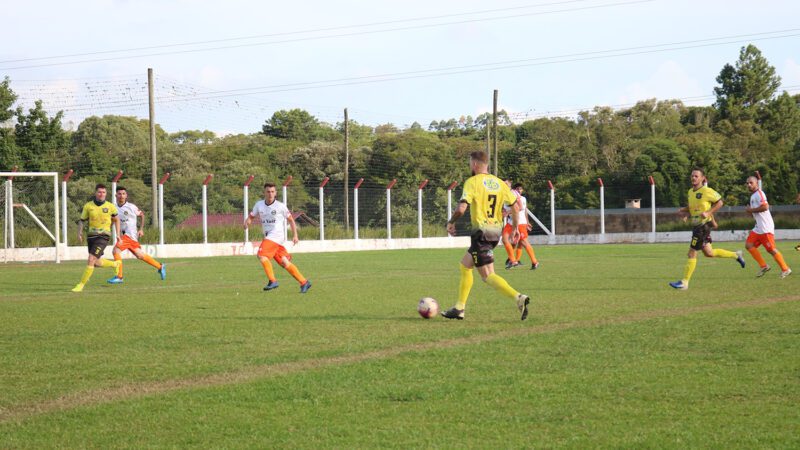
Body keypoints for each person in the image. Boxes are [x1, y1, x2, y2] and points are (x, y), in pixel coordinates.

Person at [443, 151, 531, 320]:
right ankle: (459, 308)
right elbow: (517, 206)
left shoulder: (472, 182)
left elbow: (462, 208)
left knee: (488, 276)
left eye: (470, 163)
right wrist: (513, 228)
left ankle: (518, 298)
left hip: (481, 233)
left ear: (475, 164)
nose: (470, 166)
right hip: (495, 232)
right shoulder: (499, 183)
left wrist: (451, 222)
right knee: (465, 265)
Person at [669, 168, 746, 290]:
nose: (693, 178)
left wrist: (709, 212)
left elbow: (720, 202)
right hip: (696, 225)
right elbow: (693, 207)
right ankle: (736, 255)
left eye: (696, 176)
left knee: (691, 253)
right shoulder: (690, 192)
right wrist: (685, 213)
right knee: (709, 253)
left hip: (702, 227)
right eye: (692, 176)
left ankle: (684, 282)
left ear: (702, 178)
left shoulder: (707, 191)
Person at [244, 182, 311, 293]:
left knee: (261, 255)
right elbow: (251, 217)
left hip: (276, 235)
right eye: (268, 192)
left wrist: (295, 235)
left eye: (272, 192)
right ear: (264, 192)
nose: (270, 194)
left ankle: (272, 281)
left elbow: (291, 220)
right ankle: (304, 282)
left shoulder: (280, 206)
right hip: (271, 237)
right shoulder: (259, 205)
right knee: (284, 262)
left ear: (275, 193)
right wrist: (247, 222)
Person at [106, 187, 166, 284]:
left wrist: (141, 229)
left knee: (116, 250)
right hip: (127, 237)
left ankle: (119, 276)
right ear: (116, 195)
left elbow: (142, 215)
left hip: (130, 235)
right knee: (140, 255)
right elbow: (113, 220)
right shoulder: (114, 208)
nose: (121, 196)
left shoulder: (131, 207)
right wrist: (107, 229)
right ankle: (160, 266)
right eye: (119, 194)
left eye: (123, 194)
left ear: (126, 196)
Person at [72, 184, 122, 292]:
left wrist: (118, 234)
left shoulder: (110, 206)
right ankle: (115, 264)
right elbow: (82, 220)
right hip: (91, 237)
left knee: (91, 259)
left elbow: (117, 219)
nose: (101, 194)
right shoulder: (88, 206)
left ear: (106, 194)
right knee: (96, 262)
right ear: (95, 193)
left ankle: (81, 284)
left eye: (104, 192)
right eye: (99, 192)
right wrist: (79, 232)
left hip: (103, 237)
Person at [743, 176, 791, 278]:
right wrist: (750, 211)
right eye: (747, 183)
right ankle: (763, 266)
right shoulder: (753, 196)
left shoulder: (759, 194)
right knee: (749, 245)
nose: (748, 185)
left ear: (756, 183)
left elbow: (765, 207)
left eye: (751, 183)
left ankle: (785, 269)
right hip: (758, 228)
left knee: (771, 250)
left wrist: (750, 210)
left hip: (765, 227)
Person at [503, 182, 539, 270]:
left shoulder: (517, 195)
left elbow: (520, 208)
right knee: (505, 239)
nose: (505, 185)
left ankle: (534, 262)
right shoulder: (505, 194)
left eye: (506, 184)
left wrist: (527, 222)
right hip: (511, 222)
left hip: (519, 222)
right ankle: (513, 260)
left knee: (523, 242)